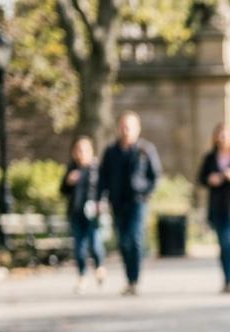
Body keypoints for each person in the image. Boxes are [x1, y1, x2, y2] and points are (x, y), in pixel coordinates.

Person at [98, 111, 160, 296]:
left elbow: (155, 175)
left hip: (138, 201)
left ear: (137, 129)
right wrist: (101, 198)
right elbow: (103, 177)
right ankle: (129, 278)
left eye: (129, 127)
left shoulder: (145, 150)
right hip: (117, 201)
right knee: (123, 241)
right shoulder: (111, 151)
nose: (126, 131)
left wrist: (146, 192)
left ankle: (135, 278)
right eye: (123, 126)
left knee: (135, 237)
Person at [197, 123, 230, 294]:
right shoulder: (210, 158)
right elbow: (201, 178)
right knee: (222, 244)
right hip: (217, 206)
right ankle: (227, 277)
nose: (223, 137)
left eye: (226, 134)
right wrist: (210, 179)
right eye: (220, 134)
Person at [60, 136, 106, 293]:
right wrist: (68, 181)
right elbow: (62, 191)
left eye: (84, 150)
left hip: (92, 213)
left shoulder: (95, 169)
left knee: (95, 243)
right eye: (78, 150)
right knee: (79, 247)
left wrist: (100, 204)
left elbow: (102, 189)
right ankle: (82, 276)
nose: (81, 153)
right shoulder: (72, 169)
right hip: (76, 212)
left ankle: (100, 266)